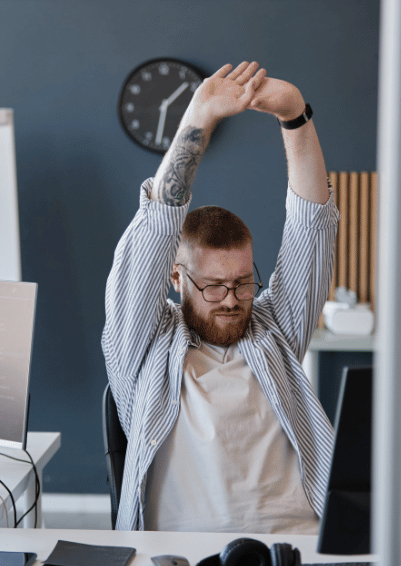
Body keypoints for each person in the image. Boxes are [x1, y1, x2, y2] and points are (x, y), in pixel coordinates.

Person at [102, 61, 337, 533]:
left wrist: (294, 115)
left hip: (299, 545)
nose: (231, 299)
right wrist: (198, 120)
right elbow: (155, 230)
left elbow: (311, 227)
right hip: (183, 559)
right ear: (176, 277)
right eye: (212, 286)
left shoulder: (275, 330)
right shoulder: (143, 348)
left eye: (243, 282)